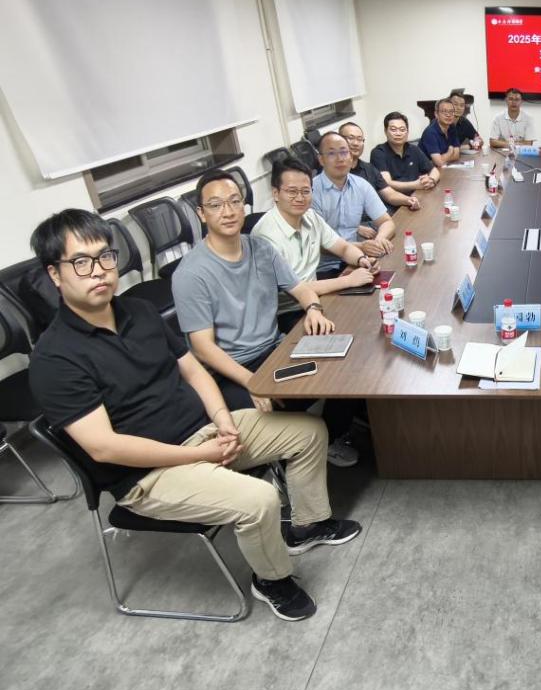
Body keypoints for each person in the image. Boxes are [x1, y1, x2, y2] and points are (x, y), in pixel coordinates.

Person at [28, 209, 361, 621]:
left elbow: (193, 370)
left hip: (203, 432)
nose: (98, 271)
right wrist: (200, 455)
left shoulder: (138, 311)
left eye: (105, 256)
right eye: (80, 262)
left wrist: (223, 419)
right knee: (260, 499)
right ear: (55, 274)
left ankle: (307, 527)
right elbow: (103, 447)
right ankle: (271, 580)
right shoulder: (55, 358)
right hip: (149, 475)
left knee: (308, 432)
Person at [173, 171, 359, 467]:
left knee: (343, 368)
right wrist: (253, 382)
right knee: (270, 409)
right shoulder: (190, 274)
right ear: (201, 214)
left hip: (274, 351)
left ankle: (330, 439)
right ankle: (288, 459)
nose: (228, 211)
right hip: (233, 369)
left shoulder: (261, 248)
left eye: (235, 201)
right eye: (216, 205)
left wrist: (313, 309)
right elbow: (203, 348)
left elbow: (301, 289)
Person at [252, 157, 376, 329]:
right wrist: (349, 280)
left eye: (305, 191)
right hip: (287, 313)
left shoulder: (310, 217)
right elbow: (296, 289)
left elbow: (343, 247)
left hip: (317, 299)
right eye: (292, 191)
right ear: (275, 193)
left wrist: (361, 259)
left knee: (366, 314)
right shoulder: (265, 236)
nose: (299, 198)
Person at [311, 132, 395, 276]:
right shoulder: (311, 191)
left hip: (356, 260)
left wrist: (379, 241)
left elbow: (387, 222)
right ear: (321, 159)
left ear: (351, 156)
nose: (340, 159)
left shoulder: (361, 185)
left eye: (344, 152)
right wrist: (360, 247)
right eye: (331, 153)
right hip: (325, 267)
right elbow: (317, 243)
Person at [339, 121, 420, 215]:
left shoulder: (369, 168)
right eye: (350, 138)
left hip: (382, 217)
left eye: (359, 139)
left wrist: (408, 200)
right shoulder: (333, 173)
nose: (356, 143)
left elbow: (389, 194)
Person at [369, 111, 438, 213]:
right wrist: (415, 185)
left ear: (407, 132)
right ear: (385, 131)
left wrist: (431, 180)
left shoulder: (413, 149)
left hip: (417, 196)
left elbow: (434, 170)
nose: (398, 133)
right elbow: (387, 183)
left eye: (402, 130)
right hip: (393, 204)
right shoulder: (378, 153)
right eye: (393, 129)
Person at [421, 97, 461, 168]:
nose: (448, 115)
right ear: (436, 114)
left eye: (451, 111)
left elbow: (457, 155)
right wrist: (450, 152)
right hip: (425, 171)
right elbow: (439, 162)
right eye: (444, 111)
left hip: (441, 168)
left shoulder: (451, 127)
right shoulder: (430, 132)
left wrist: (443, 158)